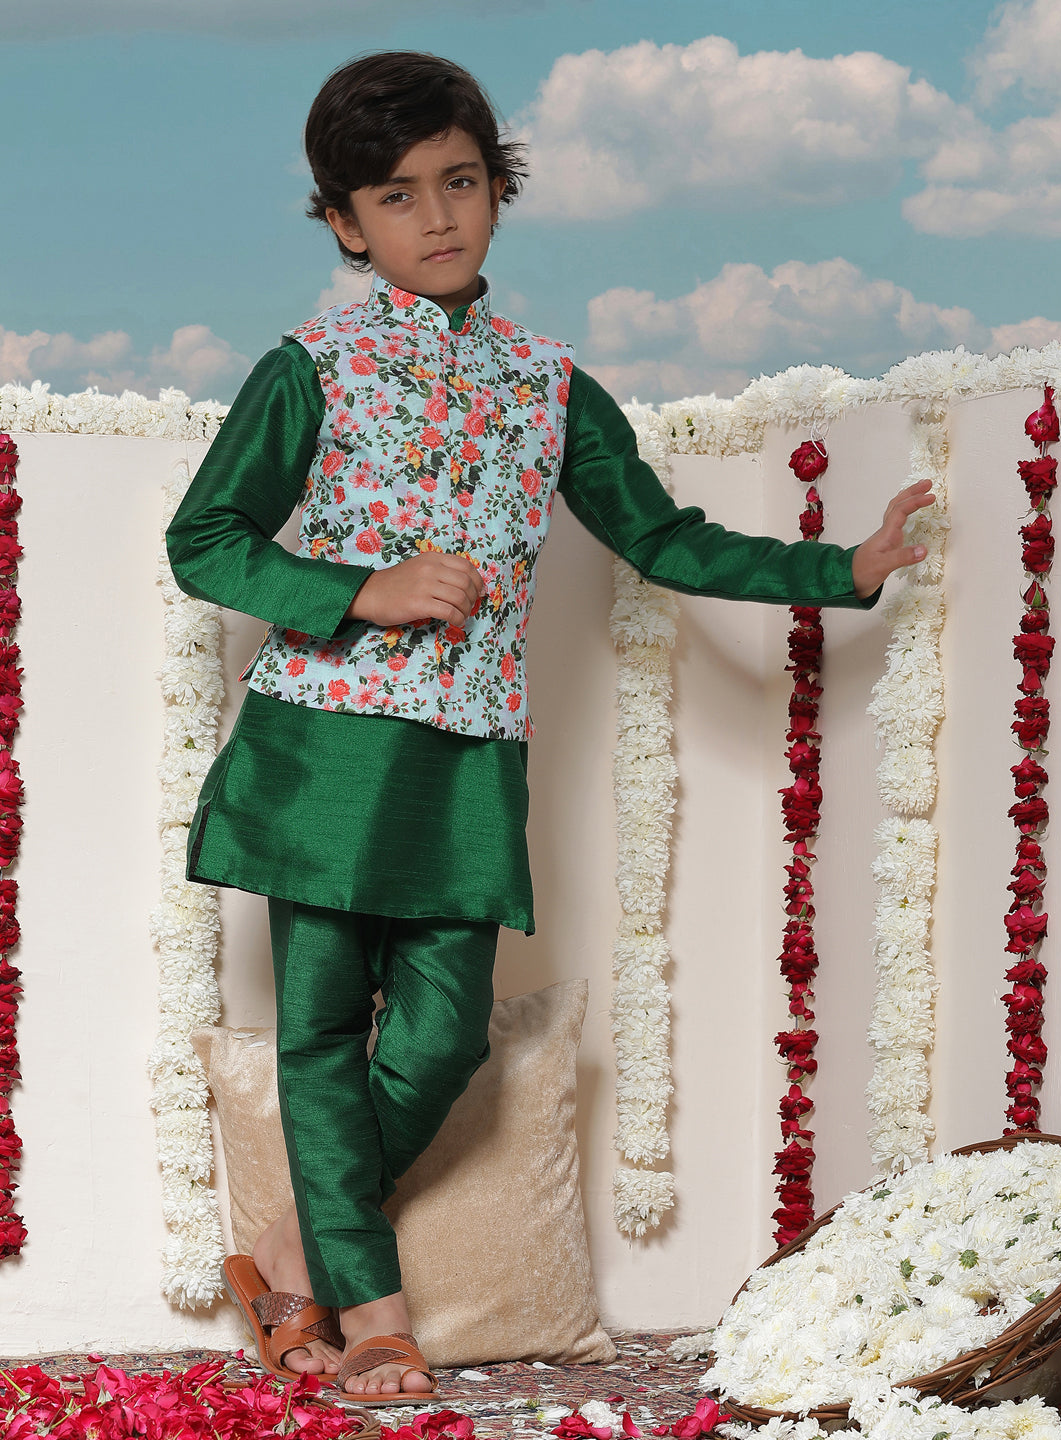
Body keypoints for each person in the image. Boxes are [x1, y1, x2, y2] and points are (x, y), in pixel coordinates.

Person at [166, 50, 934, 1404]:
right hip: (323, 750)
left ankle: (286, 1252)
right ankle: (376, 1313)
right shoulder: (310, 371)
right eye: (397, 196)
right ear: (345, 224)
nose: (438, 217)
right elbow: (206, 539)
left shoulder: (548, 384)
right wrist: (363, 590)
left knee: (442, 1039)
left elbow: (662, 536)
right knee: (322, 1036)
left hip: (470, 758)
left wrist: (845, 569)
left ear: (498, 188)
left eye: (461, 182)